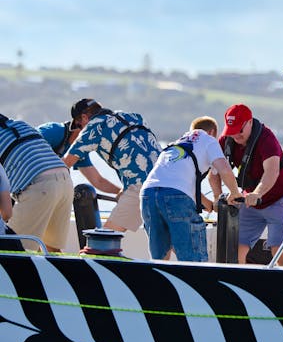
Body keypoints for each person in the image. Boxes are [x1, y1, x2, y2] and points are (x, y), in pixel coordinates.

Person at [140, 116, 242, 262]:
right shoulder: (209, 140)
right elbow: (224, 169)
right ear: (212, 131)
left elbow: (178, 186)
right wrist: (234, 193)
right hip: (176, 197)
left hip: (148, 194)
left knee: (159, 259)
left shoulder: (176, 144)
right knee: (194, 260)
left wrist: (210, 204)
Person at [210, 104, 283, 266]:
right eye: (232, 130)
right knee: (236, 252)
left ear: (249, 122)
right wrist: (218, 195)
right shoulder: (226, 140)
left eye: (239, 129)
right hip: (251, 203)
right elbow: (214, 173)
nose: (236, 135)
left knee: (277, 252)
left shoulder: (266, 138)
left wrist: (257, 193)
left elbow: (272, 172)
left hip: (280, 199)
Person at [63, 98, 162, 233]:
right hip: (169, 181)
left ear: (85, 118)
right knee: (166, 242)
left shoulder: (94, 127)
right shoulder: (133, 117)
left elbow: (65, 164)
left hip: (142, 186)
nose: (79, 131)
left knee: (103, 242)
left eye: (79, 126)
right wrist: (123, 190)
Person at [0, 114, 73, 252]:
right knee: (51, 251)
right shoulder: (21, 125)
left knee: (13, 252)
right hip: (65, 183)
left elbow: (4, 212)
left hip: (39, 186)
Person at [37, 119, 121, 194]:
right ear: (78, 123)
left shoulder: (80, 149)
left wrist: (121, 193)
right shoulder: (54, 130)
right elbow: (27, 147)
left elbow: (98, 181)